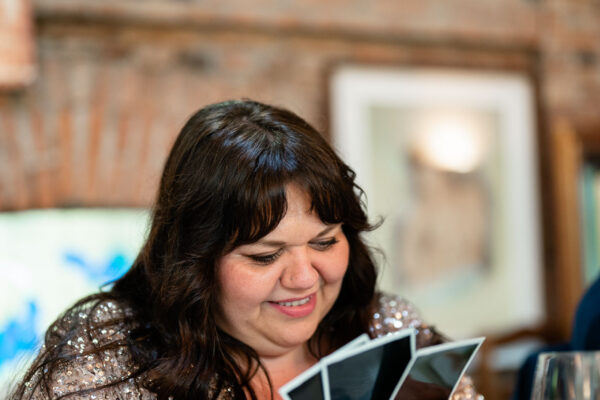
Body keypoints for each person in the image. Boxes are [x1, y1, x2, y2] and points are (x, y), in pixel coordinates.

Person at [11, 100, 482, 400]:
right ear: (194, 260)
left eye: (324, 241)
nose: (303, 278)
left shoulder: (386, 327)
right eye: (264, 255)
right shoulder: (108, 357)